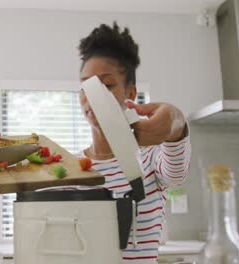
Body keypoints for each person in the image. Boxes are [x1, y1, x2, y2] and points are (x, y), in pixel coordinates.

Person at [76, 22, 190, 262]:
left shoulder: (148, 159)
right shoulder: (73, 168)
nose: (92, 97)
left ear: (130, 93)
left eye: (106, 85)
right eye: (85, 86)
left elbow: (176, 172)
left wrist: (174, 119)